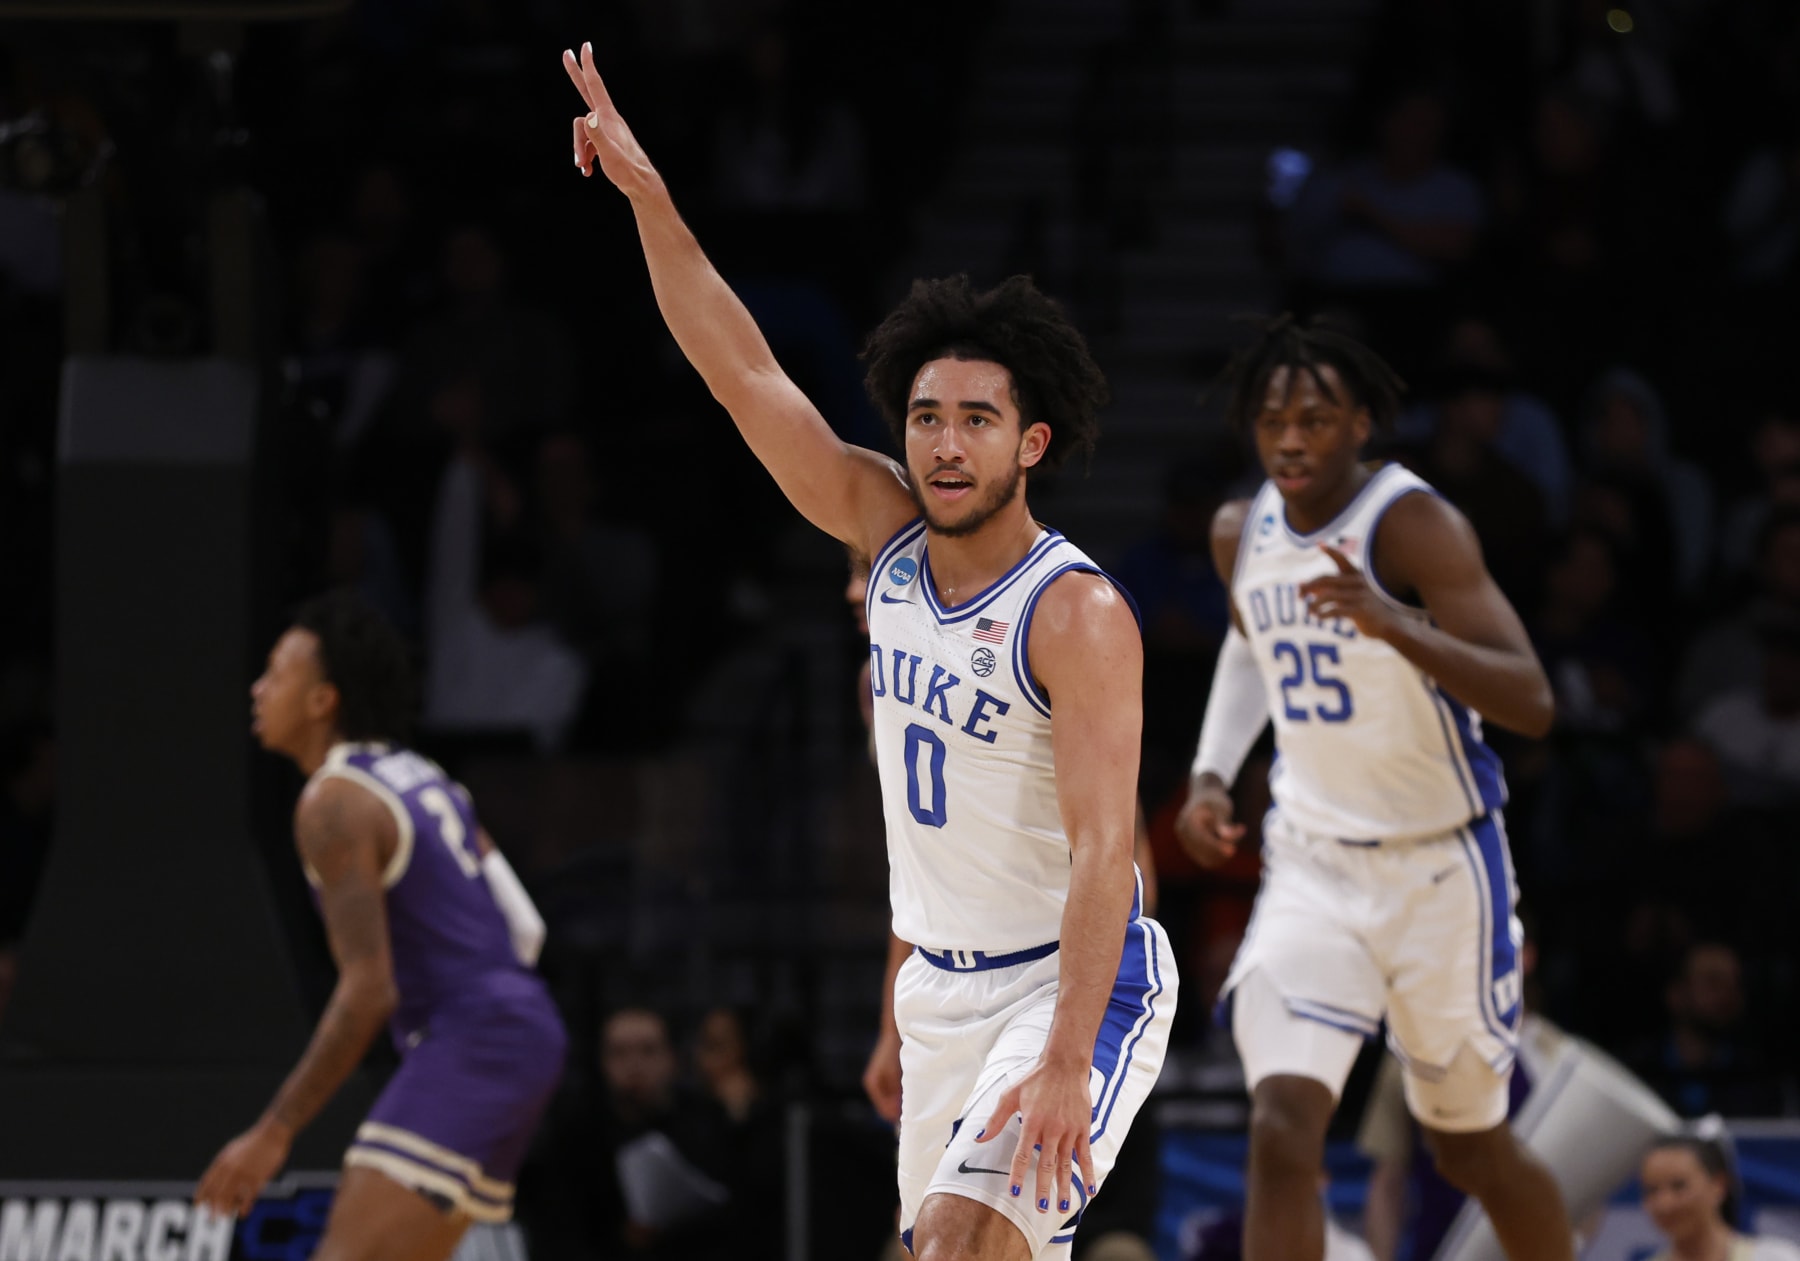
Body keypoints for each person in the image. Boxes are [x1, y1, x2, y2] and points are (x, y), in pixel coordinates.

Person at [564, 42, 1178, 1261]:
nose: (947, 444)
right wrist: (652, 198)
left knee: (955, 1247)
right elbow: (740, 371)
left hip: (1072, 986)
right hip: (939, 991)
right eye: (928, 417)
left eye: (978, 421)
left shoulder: (1077, 614)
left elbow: (1112, 851)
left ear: (1032, 443)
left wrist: (1063, 1060)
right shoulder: (884, 540)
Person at [1172, 313, 1573, 1261]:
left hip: (1440, 869)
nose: (1292, 438)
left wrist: (1397, 623)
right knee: (1279, 1132)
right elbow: (1247, 648)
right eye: (1273, 419)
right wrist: (1211, 773)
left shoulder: (1416, 525)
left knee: (1470, 1150)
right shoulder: (1244, 529)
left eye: (1316, 417)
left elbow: (1532, 699)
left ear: (1361, 424)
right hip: (1312, 861)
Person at [193, 591, 567, 1257]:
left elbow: (370, 989)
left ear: (321, 701)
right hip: (523, 1029)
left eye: (277, 672)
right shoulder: (425, 778)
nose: (258, 687)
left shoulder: (332, 802)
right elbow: (526, 928)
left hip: (473, 1036)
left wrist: (273, 1131)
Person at [1640, 1134, 1800, 1261]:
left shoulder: (1776, 1258)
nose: (1665, 1204)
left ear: (1719, 1185)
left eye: (1679, 1186)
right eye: (1652, 1190)